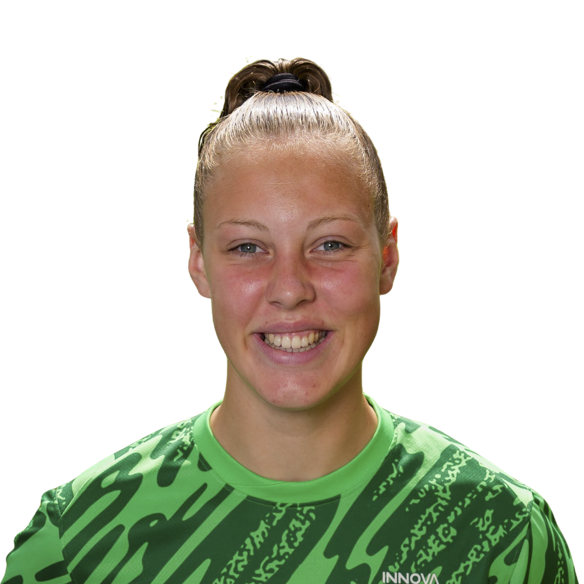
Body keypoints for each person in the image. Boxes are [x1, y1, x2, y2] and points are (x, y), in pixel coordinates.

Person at [2, 55, 578, 584]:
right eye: (248, 248)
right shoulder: (76, 540)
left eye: (329, 244)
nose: (289, 290)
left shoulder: (505, 533)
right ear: (197, 262)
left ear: (388, 255)